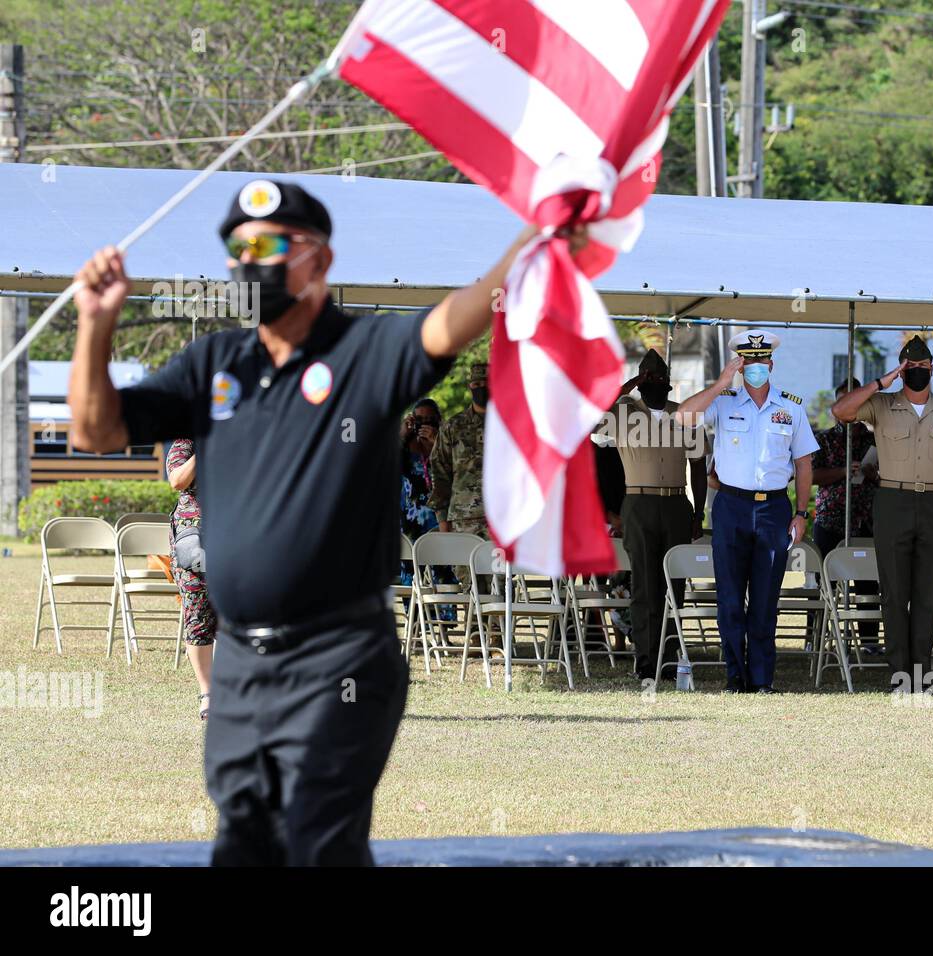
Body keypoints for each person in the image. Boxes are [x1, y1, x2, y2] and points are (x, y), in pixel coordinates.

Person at [67, 177, 570, 865]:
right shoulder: (215, 365)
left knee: (316, 839)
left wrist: (531, 240)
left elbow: (460, 314)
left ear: (321, 261)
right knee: (243, 848)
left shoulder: (365, 355)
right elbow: (95, 429)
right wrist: (95, 323)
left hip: (341, 656)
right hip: (241, 661)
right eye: (240, 246)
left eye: (274, 245)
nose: (254, 260)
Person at [675, 330, 818, 693]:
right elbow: (683, 417)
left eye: (761, 362)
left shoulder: (791, 407)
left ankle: (762, 679)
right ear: (740, 366)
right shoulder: (723, 401)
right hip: (731, 505)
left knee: (767, 598)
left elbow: (803, 464)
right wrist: (721, 380)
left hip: (773, 508)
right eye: (748, 363)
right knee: (730, 597)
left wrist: (801, 512)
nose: (755, 368)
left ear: (771, 364)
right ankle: (735, 677)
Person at [831, 335, 933, 682]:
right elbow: (841, 411)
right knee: (894, 592)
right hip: (893, 500)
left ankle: (922, 671)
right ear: (901, 369)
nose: (916, 373)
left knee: (927, 592)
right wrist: (883, 381)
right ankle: (899, 672)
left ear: (932, 369)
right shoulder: (881, 404)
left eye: (922, 367)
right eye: (909, 368)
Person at [606, 348, 707, 682]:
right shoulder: (624, 412)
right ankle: (646, 660)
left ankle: (669, 657)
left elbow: (699, 467)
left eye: (660, 377)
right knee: (644, 586)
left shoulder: (685, 415)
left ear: (670, 383)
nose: (655, 382)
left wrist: (698, 514)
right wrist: (634, 382)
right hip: (639, 503)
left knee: (673, 585)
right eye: (648, 377)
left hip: (677, 504)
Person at [811, 377, 879, 644]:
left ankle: (870, 642)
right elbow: (811, 476)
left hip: (866, 519)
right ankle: (816, 637)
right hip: (831, 519)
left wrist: (875, 475)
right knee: (824, 582)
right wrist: (842, 471)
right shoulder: (824, 439)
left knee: (868, 583)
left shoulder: (875, 439)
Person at [166, 438, 217, 720]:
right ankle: (207, 693)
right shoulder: (186, 444)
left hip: (237, 533)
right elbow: (177, 481)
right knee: (198, 614)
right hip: (192, 540)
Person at [399, 398, 455, 620]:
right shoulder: (404, 446)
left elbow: (453, 471)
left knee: (443, 569)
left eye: (429, 420)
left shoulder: (445, 442)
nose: (424, 424)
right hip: (410, 519)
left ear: (438, 420)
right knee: (410, 572)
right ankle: (416, 623)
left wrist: (435, 443)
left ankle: (443, 625)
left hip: (438, 517)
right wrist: (403, 434)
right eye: (418, 419)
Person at [431, 362, 488, 539]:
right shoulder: (453, 427)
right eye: (477, 384)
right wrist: (442, 521)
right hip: (464, 523)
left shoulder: (512, 424)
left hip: (506, 521)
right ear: (470, 386)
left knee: (507, 568)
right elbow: (439, 473)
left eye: (488, 383)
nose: (483, 388)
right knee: (466, 567)